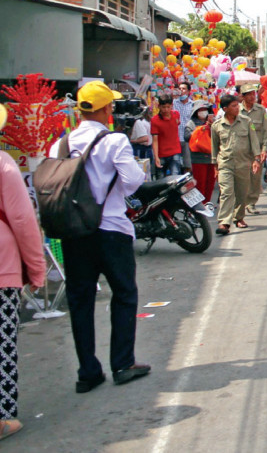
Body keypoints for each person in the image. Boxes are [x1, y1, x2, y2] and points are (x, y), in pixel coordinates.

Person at [50, 81, 151, 394]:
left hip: (75, 232)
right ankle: (122, 364)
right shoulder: (115, 141)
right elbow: (134, 180)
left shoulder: (61, 145)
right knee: (123, 294)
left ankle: (87, 372)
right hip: (111, 230)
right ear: (107, 109)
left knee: (80, 301)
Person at [0, 104, 46, 440]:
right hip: (2, 266)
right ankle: (2, 417)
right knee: (3, 341)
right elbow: (22, 221)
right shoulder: (3, 165)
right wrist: (36, 269)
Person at [212, 94, 260, 234]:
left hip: (243, 163)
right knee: (226, 192)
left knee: (241, 193)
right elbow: (215, 147)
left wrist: (256, 159)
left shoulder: (246, 121)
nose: (237, 108)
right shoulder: (217, 126)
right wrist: (215, 166)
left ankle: (238, 218)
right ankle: (224, 222)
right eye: (233, 106)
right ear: (225, 109)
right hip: (225, 164)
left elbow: (254, 142)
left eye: (237, 105)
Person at [238, 83, 267, 215]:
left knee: (255, 178)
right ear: (243, 97)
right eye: (249, 94)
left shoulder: (261, 110)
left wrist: (264, 149)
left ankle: (251, 203)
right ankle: (240, 203)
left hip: (257, 150)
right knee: (241, 177)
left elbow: (265, 131)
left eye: (253, 93)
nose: (252, 96)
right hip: (241, 150)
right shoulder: (236, 110)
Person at [185, 100, 217, 205]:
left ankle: (207, 203)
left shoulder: (214, 123)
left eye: (205, 110)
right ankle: (199, 205)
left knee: (210, 184)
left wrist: (212, 126)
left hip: (211, 158)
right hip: (198, 159)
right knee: (200, 184)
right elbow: (187, 137)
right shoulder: (191, 124)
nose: (203, 112)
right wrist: (201, 129)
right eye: (200, 110)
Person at [150, 95, 182, 177]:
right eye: (164, 107)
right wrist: (156, 157)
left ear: (172, 106)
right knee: (161, 179)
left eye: (168, 107)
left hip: (175, 152)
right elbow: (155, 140)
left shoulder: (176, 115)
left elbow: (177, 123)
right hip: (161, 155)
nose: (166, 110)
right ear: (159, 106)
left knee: (175, 177)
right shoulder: (154, 120)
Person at [173, 82, 195, 170]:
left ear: (189, 91)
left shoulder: (192, 105)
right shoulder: (173, 103)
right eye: (180, 88)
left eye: (184, 89)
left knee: (187, 163)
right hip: (175, 137)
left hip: (187, 138)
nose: (181, 91)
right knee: (175, 163)